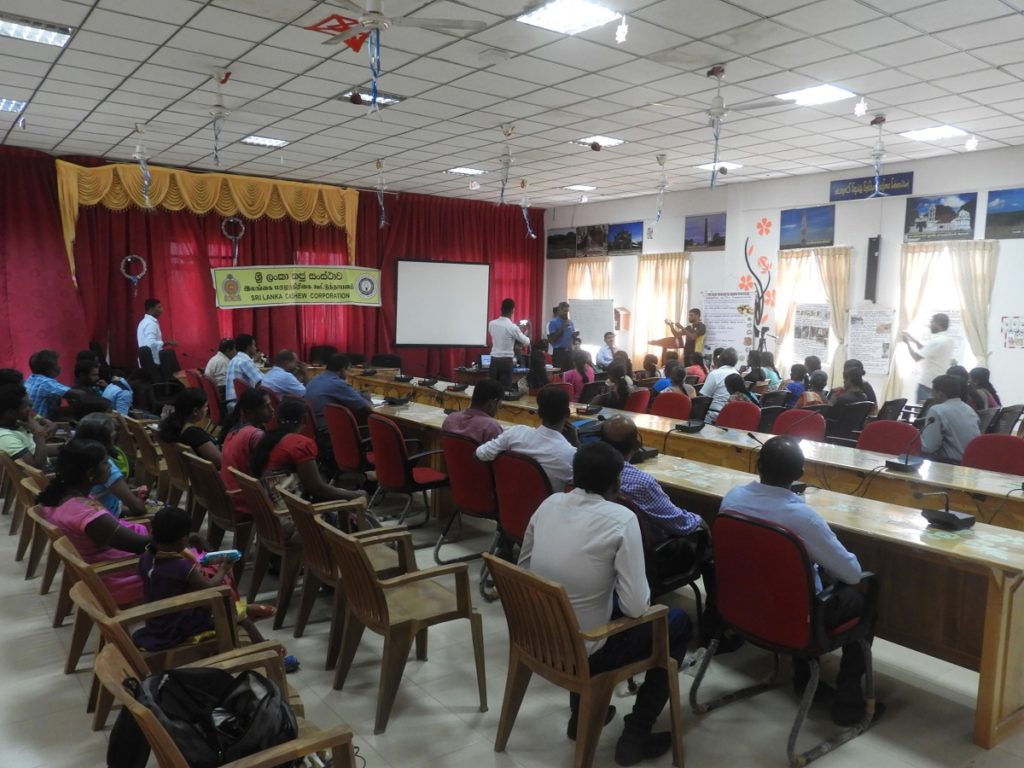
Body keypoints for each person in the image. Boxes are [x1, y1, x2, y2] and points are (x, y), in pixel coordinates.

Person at [519, 441, 691, 765]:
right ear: (616, 483)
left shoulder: (548, 503)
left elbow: (525, 566)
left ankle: (580, 715)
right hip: (586, 650)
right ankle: (636, 734)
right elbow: (636, 608)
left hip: (538, 636)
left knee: (588, 602)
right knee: (677, 622)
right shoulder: (621, 518)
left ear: (575, 475)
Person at [722, 436, 876, 727]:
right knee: (862, 601)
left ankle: (804, 678)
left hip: (748, 607)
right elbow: (852, 574)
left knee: (797, 582)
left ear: (758, 465)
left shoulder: (732, 498)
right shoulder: (803, 518)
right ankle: (848, 705)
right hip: (796, 616)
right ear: (799, 474)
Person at [132, 506, 267, 651]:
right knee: (241, 617)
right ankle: (265, 648)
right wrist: (223, 569)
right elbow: (209, 587)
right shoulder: (182, 567)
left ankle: (249, 615)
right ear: (182, 541)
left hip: (156, 622)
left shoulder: (146, 557)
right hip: (177, 626)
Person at [37, 439, 150, 606]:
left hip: (100, 567)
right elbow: (141, 546)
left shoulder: (62, 496)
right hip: (117, 578)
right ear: (90, 473)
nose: (110, 467)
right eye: (105, 463)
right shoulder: (88, 516)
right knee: (185, 566)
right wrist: (181, 539)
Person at [251, 398, 365, 510]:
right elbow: (317, 488)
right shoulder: (300, 445)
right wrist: (356, 495)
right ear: (305, 419)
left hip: (271, 509)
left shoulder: (266, 440)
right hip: (294, 514)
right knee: (357, 503)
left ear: (278, 419)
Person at [476, 384, 577, 492]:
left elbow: (479, 454)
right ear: (567, 413)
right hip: (548, 503)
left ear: (538, 412)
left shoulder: (515, 433)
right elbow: (583, 485)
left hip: (509, 499)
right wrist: (575, 442)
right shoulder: (570, 454)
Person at [74, 412, 149, 518]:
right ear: (110, 438)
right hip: (105, 516)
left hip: (88, 510)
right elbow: (138, 509)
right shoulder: (105, 466)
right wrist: (139, 503)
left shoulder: (74, 456)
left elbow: (97, 493)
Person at [221, 387, 274, 518]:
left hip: (232, 497)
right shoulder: (256, 435)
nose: (272, 410)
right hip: (248, 502)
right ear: (250, 413)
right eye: (266, 407)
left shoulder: (233, 430)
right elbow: (270, 471)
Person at [920, 374, 981, 464]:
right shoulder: (969, 409)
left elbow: (929, 447)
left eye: (933, 392)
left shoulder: (937, 410)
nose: (931, 395)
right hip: (970, 463)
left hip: (949, 464)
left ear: (940, 394)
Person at [304, 353, 373, 431]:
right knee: (368, 417)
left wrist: (356, 393)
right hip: (328, 429)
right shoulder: (338, 384)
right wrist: (367, 398)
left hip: (313, 426)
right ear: (343, 369)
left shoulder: (314, 379)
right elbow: (367, 407)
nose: (348, 373)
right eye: (348, 370)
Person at [158, 388, 222, 469]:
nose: (207, 409)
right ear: (195, 411)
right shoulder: (194, 434)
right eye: (205, 406)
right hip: (207, 475)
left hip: (190, 472)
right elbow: (220, 462)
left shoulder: (173, 425)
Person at [903, 313, 953, 403]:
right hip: (939, 383)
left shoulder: (937, 341)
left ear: (938, 324)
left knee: (921, 410)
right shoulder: (948, 340)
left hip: (927, 384)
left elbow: (916, 357)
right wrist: (914, 340)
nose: (930, 325)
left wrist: (907, 343)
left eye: (932, 322)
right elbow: (927, 351)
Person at [0, 382, 51, 468]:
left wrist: (63, 449)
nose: (30, 409)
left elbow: (33, 449)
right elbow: (37, 468)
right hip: (44, 474)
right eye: (25, 406)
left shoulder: (17, 425)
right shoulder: (5, 437)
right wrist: (39, 434)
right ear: (11, 412)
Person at [441, 378, 504, 443]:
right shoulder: (492, 427)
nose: (498, 409)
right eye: (499, 405)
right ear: (492, 404)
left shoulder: (450, 418)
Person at [487, 298, 530, 389]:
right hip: (506, 362)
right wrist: (529, 328)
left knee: (492, 388)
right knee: (505, 390)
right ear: (513, 310)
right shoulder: (512, 327)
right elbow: (526, 342)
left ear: (501, 309)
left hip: (494, 360)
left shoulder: (491, 324)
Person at [25, 350, 72, 419]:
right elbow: (77, 394)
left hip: (33, 419)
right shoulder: (45, 383)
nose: (60, 367)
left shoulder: (31, 378)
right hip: (38, 422)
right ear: (49, 370)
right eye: (57, 364)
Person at [699, 347, 739, 423]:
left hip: (714, 415)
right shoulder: (737, 374)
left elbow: (703, 397)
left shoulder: (715, 374)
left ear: (721, 359)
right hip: (730, 416)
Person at [225, 333, 263, 411]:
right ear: (248, 347)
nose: (256, 348)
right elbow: (261, 382)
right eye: (254, 345)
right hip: (242, 404)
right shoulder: (245, 361)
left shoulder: (233, 360)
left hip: (232, 402)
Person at [137, 298, 175, 363]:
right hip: (153, 362)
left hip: (147, 361)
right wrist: (167, 342)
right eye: (159, 307)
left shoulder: (143, 322)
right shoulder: (150, 323)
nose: (162, 309)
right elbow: (150, 344)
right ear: (151, 309)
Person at [547, 301, 576, 373]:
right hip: (559, 352)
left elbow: (571, 338)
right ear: (559, 310)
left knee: (570, 373)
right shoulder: (553, 322)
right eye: (564, 311)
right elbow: (552, 339)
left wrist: (574, 335)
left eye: (567, 311)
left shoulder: (570, 322)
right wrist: (563, 327)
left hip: (569, 351)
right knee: (558, 374)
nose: (566, 313)